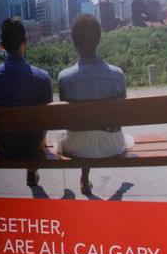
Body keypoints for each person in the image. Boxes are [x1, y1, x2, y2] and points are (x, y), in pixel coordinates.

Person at [55, 13, 135, 194]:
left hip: (76, 147)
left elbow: (70, 122)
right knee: (100, 133)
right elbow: (119, 117)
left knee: (80, 133)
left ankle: (84, 177)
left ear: (74, 42)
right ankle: (90, 181)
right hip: (111, 145)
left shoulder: (64, 78)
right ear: (98, 40)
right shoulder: (117, 75)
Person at [0, 18, 54, 187]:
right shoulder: (42, 77)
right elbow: (47, 118)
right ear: (25, 43)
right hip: (33, 145)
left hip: (3, 145)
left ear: (2, 46)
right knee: (37, 131)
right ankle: (31, 171)